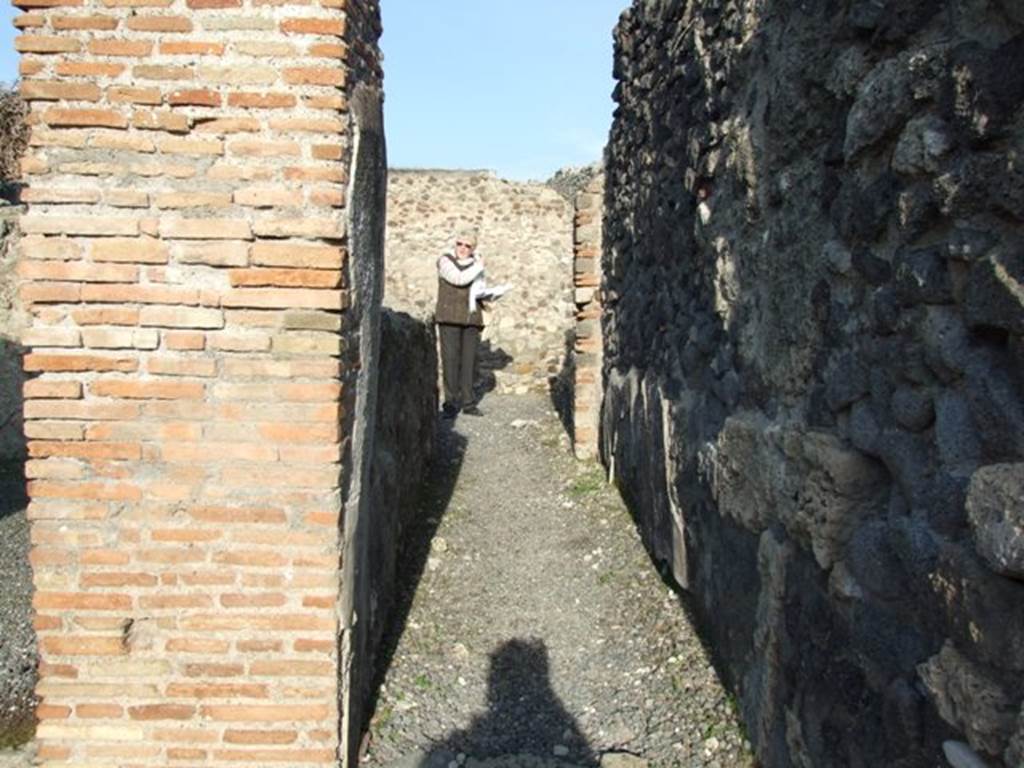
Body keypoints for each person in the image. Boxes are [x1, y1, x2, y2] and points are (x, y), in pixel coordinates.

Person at [435, 227, 487, 418]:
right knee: (450, 360)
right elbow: (458, 278)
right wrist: (479, 266)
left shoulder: (475, 263)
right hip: (449, 316)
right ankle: (450, 403)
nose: (463, 248)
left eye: (468, 245)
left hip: (471, 318)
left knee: (469, 362)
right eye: (460, 244)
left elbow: (480, 287)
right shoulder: (445, 260)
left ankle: (468, 402)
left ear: (473, 248)